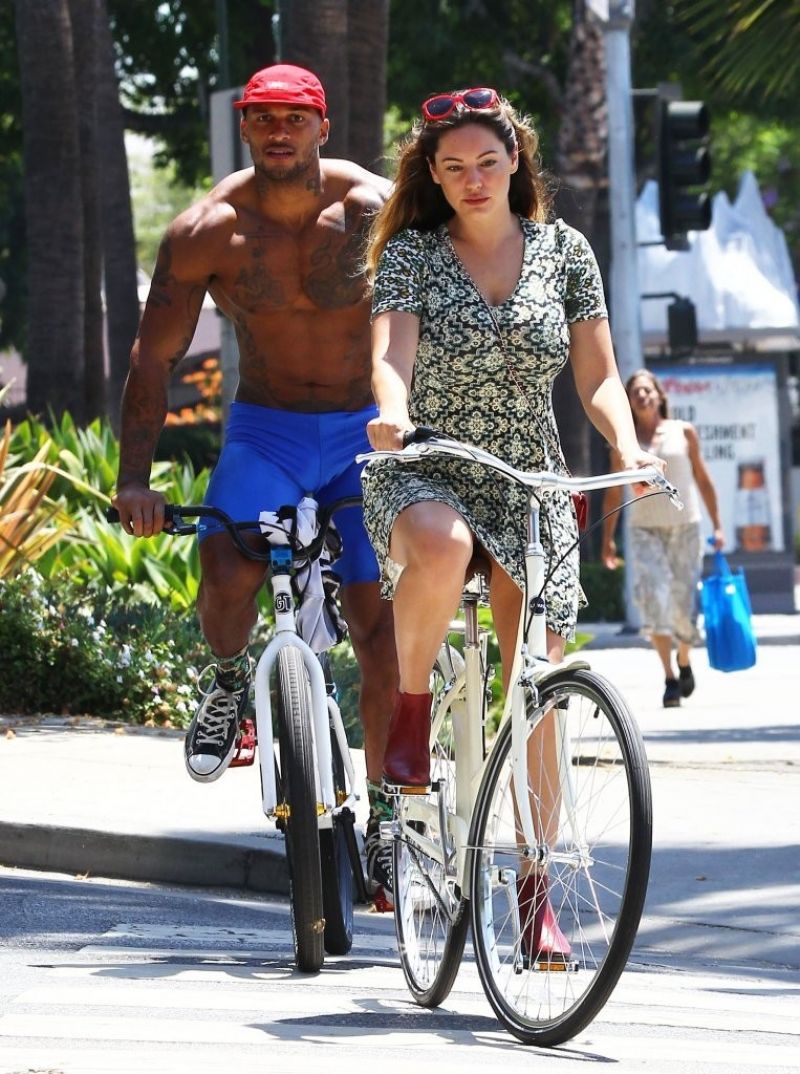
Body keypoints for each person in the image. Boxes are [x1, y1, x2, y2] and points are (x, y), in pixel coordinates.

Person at [359, 86, 663, 959]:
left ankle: (537, 889)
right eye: (452, 167)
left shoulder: (565, 252)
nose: (472, 178)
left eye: (487, 161)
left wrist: (631, 444)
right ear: (435, 177)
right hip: (428, 458)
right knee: (443, 543)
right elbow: (392, 355)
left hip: (528, 473)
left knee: (535, 688)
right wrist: (389, 410)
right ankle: (411, 712)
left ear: (516, 159)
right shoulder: (414, 255)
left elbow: (598, 379)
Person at [111, 63, 398, 906]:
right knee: (227, 571)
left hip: (361, 431)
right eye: (262, 118)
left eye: (294, 118)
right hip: (267, 430)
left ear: (323, 126)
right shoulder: (208, 231)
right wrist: (136, 479)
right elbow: (152, 358)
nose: (278, 131)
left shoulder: (376, 211)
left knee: (380, 630)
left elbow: (450, 302)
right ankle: (232, 682)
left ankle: (387, 821)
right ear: (245, 127)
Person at [601, 368, 724, 707]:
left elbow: (703, 478)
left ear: (659, 396)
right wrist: (607, 540)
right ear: (628, 401)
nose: (642, 395)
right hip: (643, 529)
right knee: (654, 598)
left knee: (684, 604)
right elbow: (613, 492)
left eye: (647, 390)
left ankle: (684, 659)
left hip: (686, 526)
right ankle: (669, 676)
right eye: (635, 391)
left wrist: (718, 525)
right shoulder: (625, 445)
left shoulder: (683, 432)